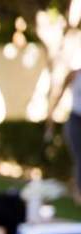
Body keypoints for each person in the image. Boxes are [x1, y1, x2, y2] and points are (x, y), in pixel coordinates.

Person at [46, 68, 81, 204]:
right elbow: (59, 94)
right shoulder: (74, 75)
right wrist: (51, 116)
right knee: (79, 156)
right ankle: (79, 193)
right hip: (76, 120)